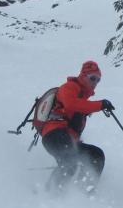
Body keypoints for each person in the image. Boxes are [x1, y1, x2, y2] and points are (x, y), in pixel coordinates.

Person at [41, 60, 114, 192]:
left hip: (66, 138)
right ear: (83, 76)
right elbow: (70, 104)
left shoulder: (83, 100)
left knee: (96, 155)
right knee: (70, 161)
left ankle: (84, 191)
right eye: (92, 78)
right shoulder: (69, 87)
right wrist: (100, 105)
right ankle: (50, 194)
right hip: (53, 134)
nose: (95, 83)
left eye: (98, 80)